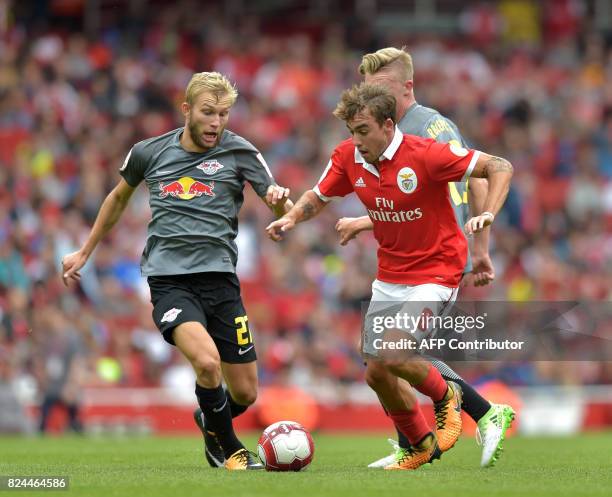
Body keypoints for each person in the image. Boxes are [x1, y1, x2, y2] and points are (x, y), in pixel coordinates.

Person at [266, 83, 513, 470]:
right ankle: (418, 445)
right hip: (390, 274)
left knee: (396, 351)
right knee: (377, 372)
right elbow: (317, 196)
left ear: (387, 124)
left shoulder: (426, 154)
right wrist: (292, 217)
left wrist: (489, 215)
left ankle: (447, 396)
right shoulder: (349, 157)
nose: (356, 140)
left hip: (438, 268)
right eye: (352, 132)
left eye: (363, 131)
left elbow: (499, 166)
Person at [62, 72, 293, 471]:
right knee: (206, 363)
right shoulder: (148, 153)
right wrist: (86, 250)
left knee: (246, 392)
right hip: (169, 281)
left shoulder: (241, 153)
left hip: (221, 281)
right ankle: (229, 451)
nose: (216, 122)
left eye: (223, 114)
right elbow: (118, 198)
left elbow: (284, 211)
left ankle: (210, 421)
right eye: (208, 112)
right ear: (186, 109)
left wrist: (278, 206)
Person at [334, 47, 515, 468]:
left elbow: (473, 179)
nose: (368, 94)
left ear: (405, 87)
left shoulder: (432, 125)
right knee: (381, 362)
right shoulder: (379, 132)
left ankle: (485, 412)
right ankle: (415, 443)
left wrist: (482, 248)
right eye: (364, 86)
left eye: (377, 87)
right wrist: (365, 222)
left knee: (397, 350)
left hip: (436, 253)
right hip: (402, 253)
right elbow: (398, 195)